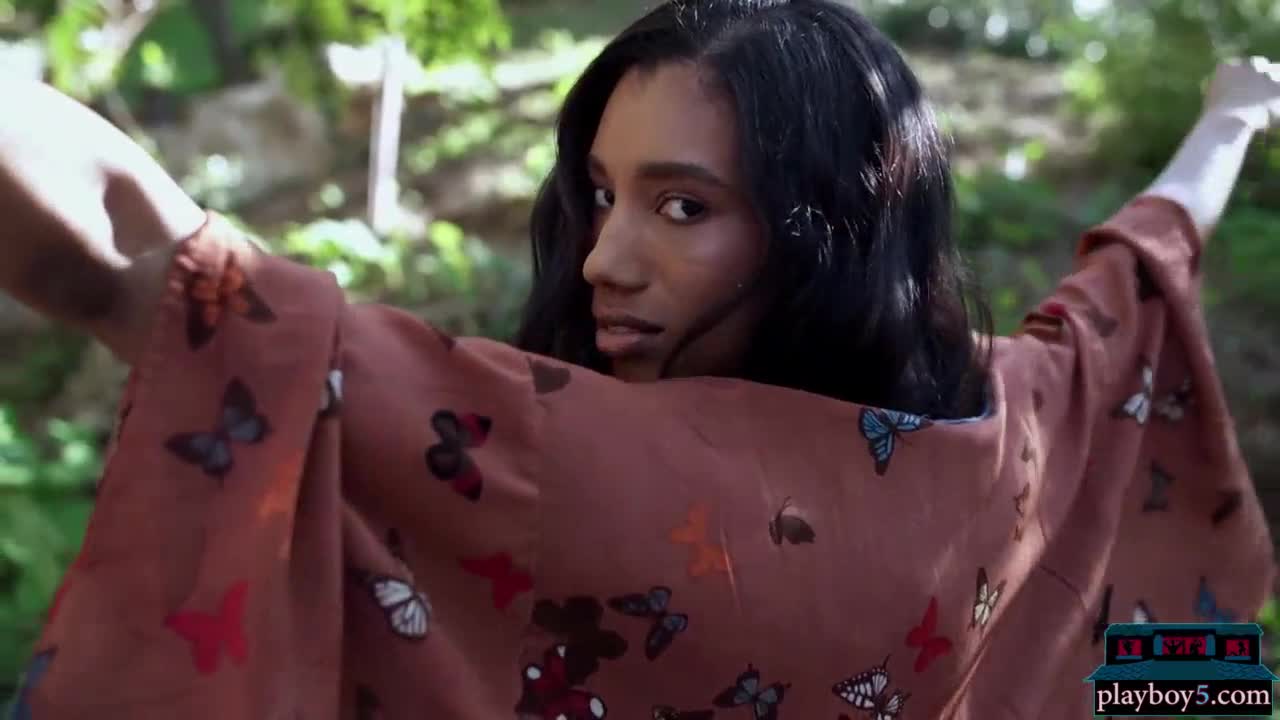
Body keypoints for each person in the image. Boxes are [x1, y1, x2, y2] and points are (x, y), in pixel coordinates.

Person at [1, 1, 1277, 717]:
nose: (603, 259)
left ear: (828, 228)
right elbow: (1127, 279)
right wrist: (1230, 118)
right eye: (601, 195)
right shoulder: (1001, 421)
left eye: (681, 206)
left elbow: (137, 260)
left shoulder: (561, 458)